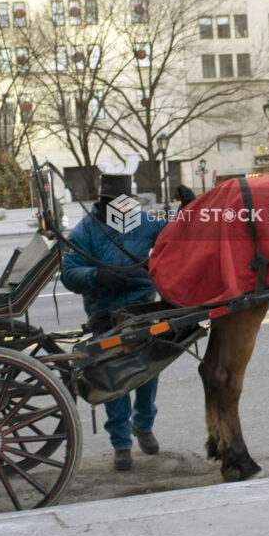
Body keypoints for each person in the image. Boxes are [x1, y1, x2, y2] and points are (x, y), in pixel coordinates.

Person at [60, 174, 168, 472]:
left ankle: (143, 425)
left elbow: (176, 237)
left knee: (148, 371)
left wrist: (189, 207)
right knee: (112, 376)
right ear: (103, 202)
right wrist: (97, 277)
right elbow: (69, 272)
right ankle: (121, 443)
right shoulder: (86, 231)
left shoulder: (148, 222)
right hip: (104, 311)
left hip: (142, 307)